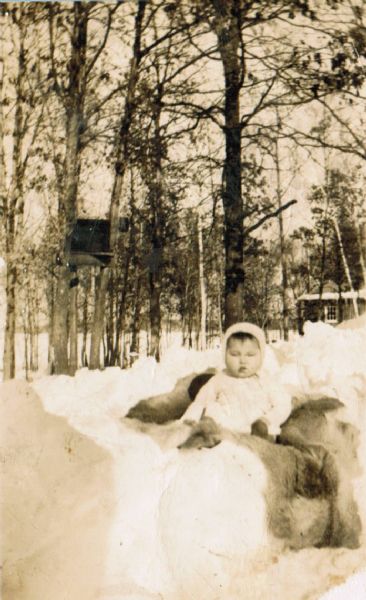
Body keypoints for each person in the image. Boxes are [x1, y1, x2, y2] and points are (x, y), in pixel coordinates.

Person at [179, 322, 292, 448]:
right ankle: (204, 434)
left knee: (265, 431)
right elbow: (200, 402)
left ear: (261, 356)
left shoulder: (266, 380)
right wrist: (188, 421)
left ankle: (262, 438)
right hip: (225, 429)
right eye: (235, 354)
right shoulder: (219, 379)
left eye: (250, 355)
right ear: (225, 355)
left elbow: (283, 404)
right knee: (211, 407)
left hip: (255, 428)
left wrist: (267, 420)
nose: (243, 360)